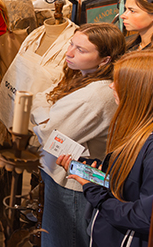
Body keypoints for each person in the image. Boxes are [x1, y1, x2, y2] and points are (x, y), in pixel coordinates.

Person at [31, 23, 126, 247]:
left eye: (81, 50)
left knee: (64, 240)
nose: (69, 52)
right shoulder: (83, 77)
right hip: (66, 173)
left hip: (73, 182)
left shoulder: (96, 94)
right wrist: (45, 110)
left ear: (105, 60)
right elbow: (42, 99)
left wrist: (41, 112)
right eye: (71, 44)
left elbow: (49, 134)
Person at [57, 50, 153, 247]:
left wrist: (94, 191)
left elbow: (145, 217)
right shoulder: (138, 130)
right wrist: (98, 174)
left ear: (139, 91)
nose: (111, 86)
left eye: (119, 81)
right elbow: (129, 186)